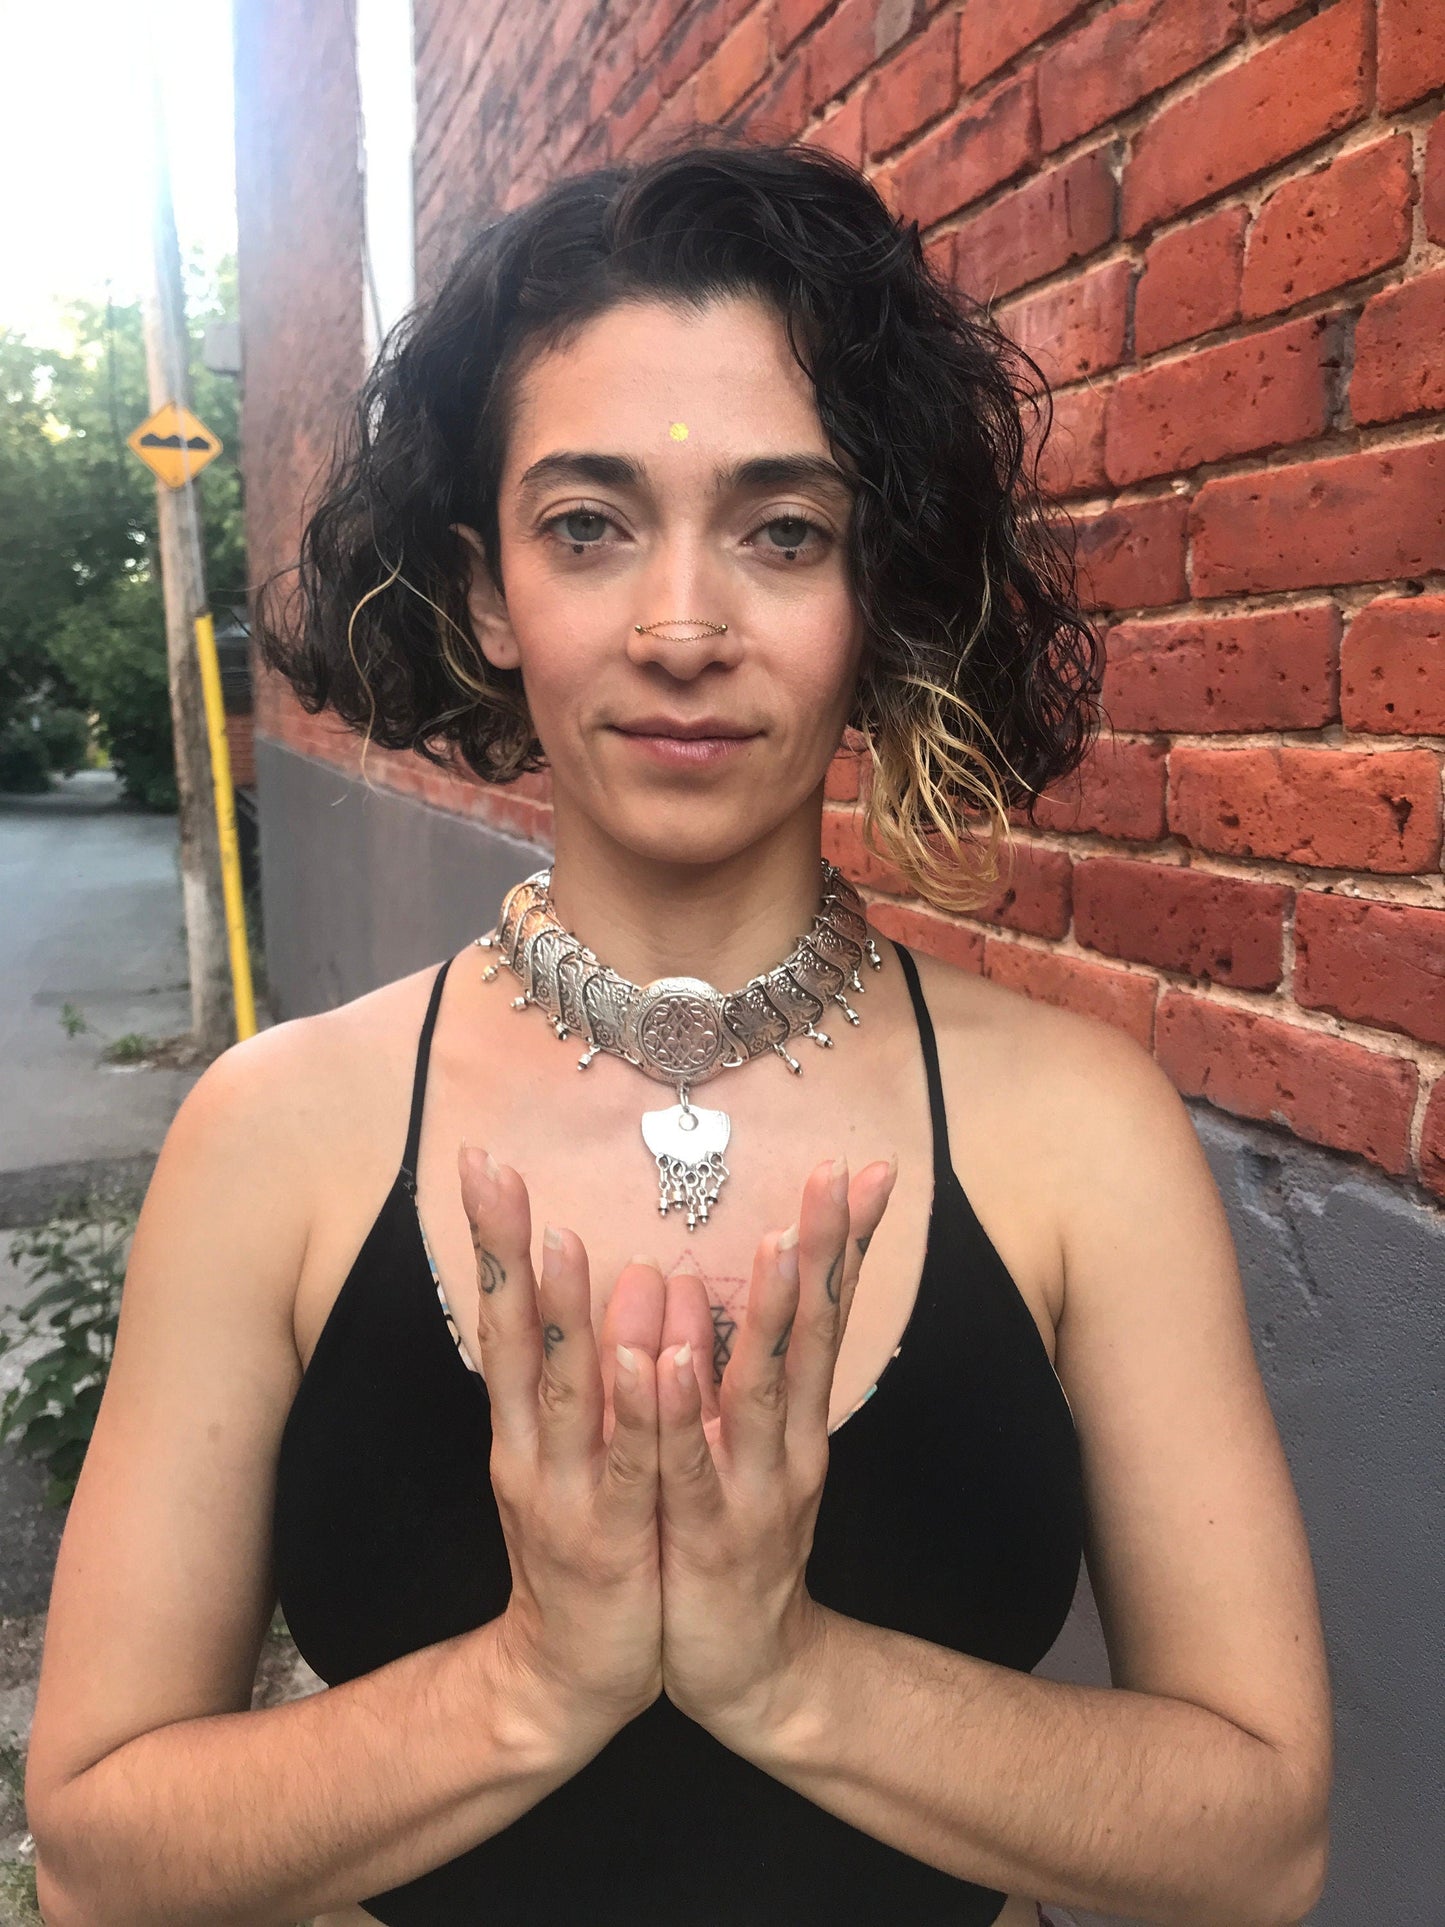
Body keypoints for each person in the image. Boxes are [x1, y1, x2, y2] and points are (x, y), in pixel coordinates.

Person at [24, 133, 1331, 1927]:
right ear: (486, 589)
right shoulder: (275, 1138)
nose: (684, 625)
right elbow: (96, 1856)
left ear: (878, 590)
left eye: (782, 533)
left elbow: (1257, 1845)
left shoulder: (1078, 1131)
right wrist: (533, 1681)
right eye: (586, 526)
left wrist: (787, 1677)